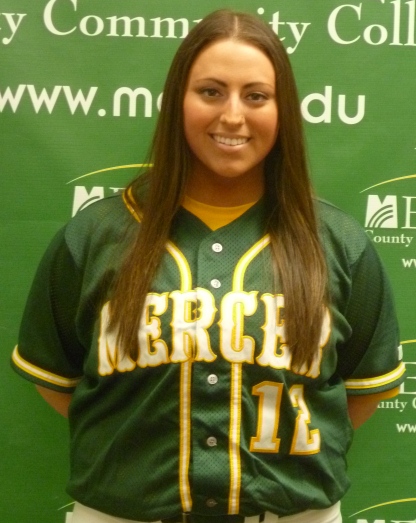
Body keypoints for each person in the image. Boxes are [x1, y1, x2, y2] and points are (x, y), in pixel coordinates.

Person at [11, 9, 405, 523]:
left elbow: (362, 392)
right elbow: (56, 380)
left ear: (283, 110)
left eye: (256, 96)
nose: (232, 115)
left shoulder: (339, 242)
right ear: (179, 100)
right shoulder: (93, 236)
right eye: (211, 92)